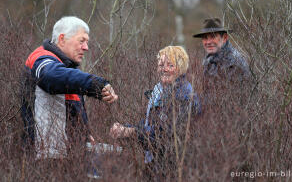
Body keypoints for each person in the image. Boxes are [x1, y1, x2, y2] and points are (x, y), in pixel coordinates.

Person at [20, 16, 118, 160]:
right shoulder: (41, 58)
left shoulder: (67, 68)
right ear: (61, 39)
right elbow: (50, 76)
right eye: (81, 41)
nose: (86, 47)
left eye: (87, 42)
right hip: (44, 160)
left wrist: (83, 134)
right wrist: (96, 84)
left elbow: (68, 110)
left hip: (66, 159)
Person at [109, 46, 201, 180]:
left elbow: (164, 136)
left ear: (180, 68)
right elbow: (150, 123)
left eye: (170, 65)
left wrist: (131, 132)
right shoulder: (160, 91)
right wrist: (125, 127)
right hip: (157, 164)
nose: (164, 69)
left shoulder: (183, 95)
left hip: (175, 169)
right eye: (161, 65)